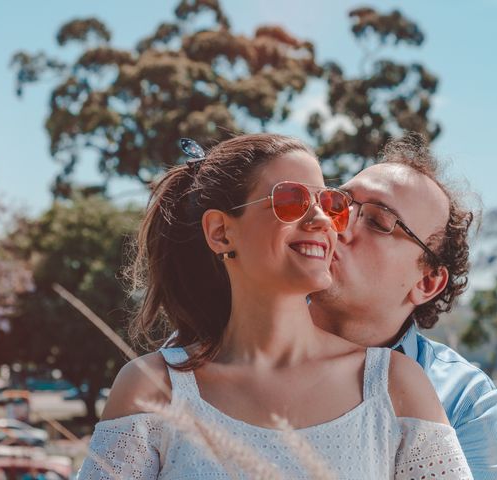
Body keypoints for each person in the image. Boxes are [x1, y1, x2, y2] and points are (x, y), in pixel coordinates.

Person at [77, 134, 471, 479]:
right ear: (220, 232)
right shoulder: (153, 388)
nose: (327, 221)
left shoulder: (395, 387)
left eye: (328, 203)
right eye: (292, 200)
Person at [309, 133, 497, 479]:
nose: (336, 224)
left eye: (379, 221)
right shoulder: (216, 352)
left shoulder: (465, 405)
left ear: (427, 283)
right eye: (338, 203)